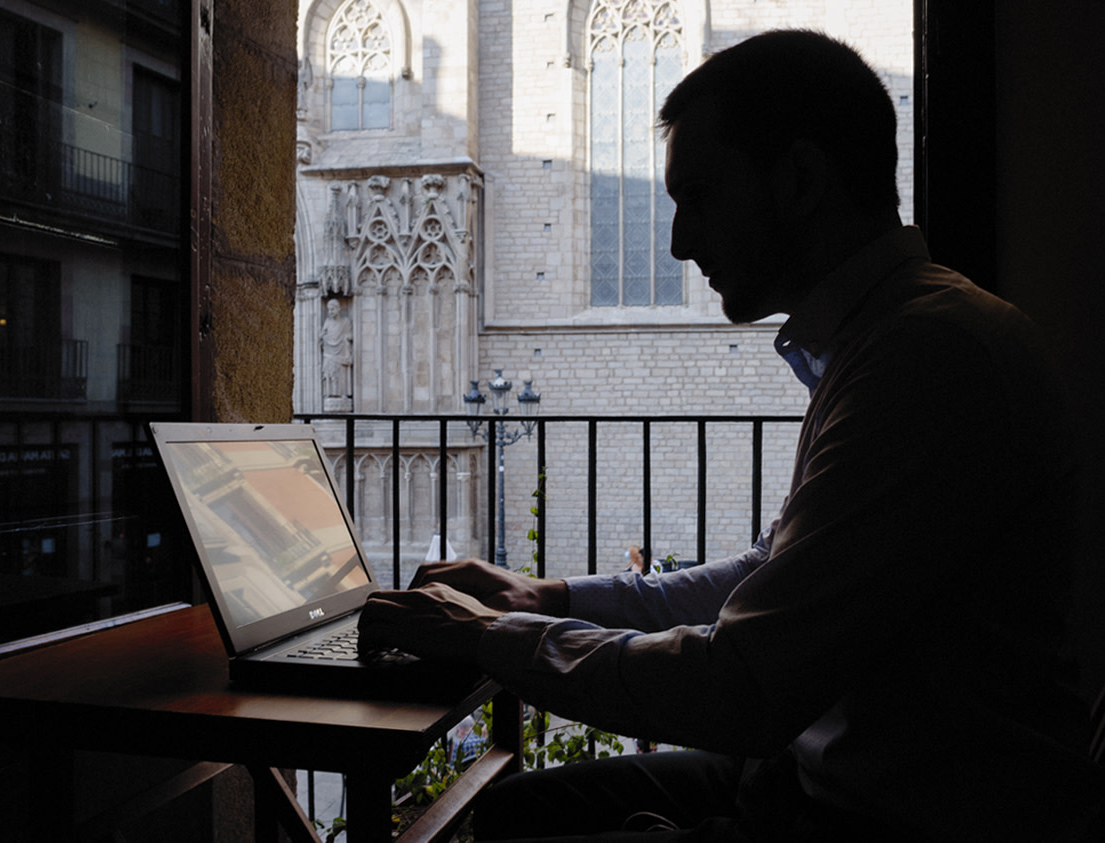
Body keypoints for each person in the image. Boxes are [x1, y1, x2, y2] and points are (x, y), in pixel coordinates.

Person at [359, 29, 1103, 841]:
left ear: (801, 180)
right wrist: (552, 598)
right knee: (507, 812)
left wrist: (488, 636)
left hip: (894, 818)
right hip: (825, 779)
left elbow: (742, 687)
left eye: (700, 198)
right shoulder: (887, 338)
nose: (679, 242)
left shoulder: (927, 358)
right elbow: (769, 573)